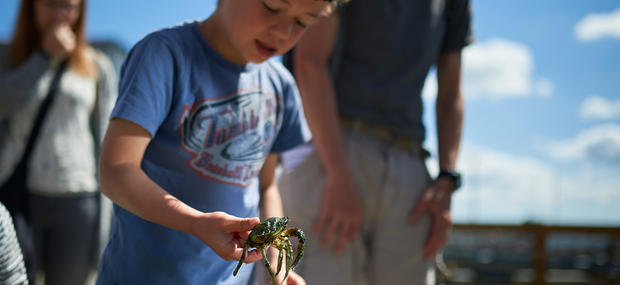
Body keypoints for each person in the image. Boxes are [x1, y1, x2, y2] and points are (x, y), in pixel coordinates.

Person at [94, 0, 346, 284]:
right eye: (273, 8)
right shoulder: (165, 55)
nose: (284, 32)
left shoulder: (281, 88)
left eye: (303, 22)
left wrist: (276, 261)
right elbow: (115, 170)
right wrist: (195, 223)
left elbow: (266, 186)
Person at [277, 0, 474, 284]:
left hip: (410, 164)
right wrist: (338, 173)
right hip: (330, 149)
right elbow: (309, 62)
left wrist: (447, 179)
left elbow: (451, 91)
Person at [0, 0, 118, 284]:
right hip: (20, 193)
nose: (62, 13)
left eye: (71, 6)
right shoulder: (8, 55)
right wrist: (42, 58)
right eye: (52, 3)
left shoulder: (97, 64)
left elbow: (105, 138)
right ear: (32, 7)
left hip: (77, 197)